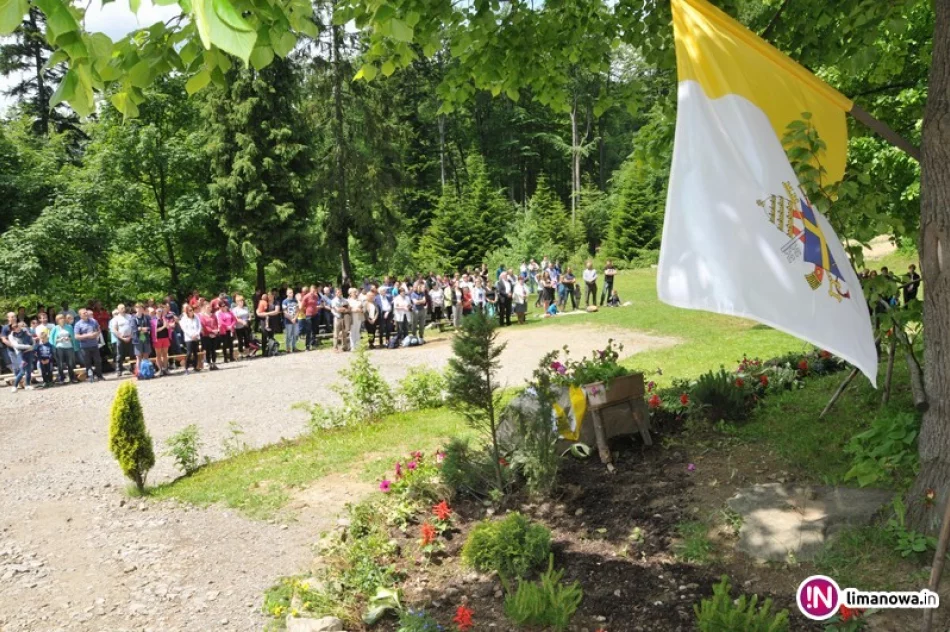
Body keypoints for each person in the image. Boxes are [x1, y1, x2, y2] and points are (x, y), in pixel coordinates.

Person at [74, 309, 104, 382]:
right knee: (88, 362)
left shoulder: (93, 321)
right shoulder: (78, 324)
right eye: (84, 313)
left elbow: (99, 330)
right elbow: (76, 336)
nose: (86, 314)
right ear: (80, 315)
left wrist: (95, 334)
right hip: (85, 346)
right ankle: (90, 377)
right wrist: (87, 336)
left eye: (86, 312)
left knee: (98, 361)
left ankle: (99, 376)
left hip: (94, 344)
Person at [49, 314, 78, 384]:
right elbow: (51, 339)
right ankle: (62, 378)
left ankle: (72, 378)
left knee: (70, 363)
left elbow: (73, 337)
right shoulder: (55, 328)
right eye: (60, 318)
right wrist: (59, 340)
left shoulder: (69, 327)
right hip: (59, 348)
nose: (62, 319)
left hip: (69, 347)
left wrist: (69, 338)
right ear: (57, 320)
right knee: (60, 364)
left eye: (63, 318)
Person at [9, 322, 35, 391]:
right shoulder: (11, 335)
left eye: (16, 326)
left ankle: (27, 385)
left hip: (29, 352)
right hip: (21, 353)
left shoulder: (25, 331)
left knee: (29, 370)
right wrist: (29, 346)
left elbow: (32, 340)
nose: (16, 328)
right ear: (12, 329)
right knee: (22, 371)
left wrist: (32, 347)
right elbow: (17, 346)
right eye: (13, 327)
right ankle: (14, 386)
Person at [111, 304, 135, 377]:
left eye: (124, 308)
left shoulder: (130, 316)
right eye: (121, 308)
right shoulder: (116, 318)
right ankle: (119, 370)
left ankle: (133, 368)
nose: (123, 309)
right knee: (120, 355)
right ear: (118, 310)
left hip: (130, 338)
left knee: (132, 354)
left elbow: (133, 327)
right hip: (121, 338)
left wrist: (130, 336)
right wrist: (122, 337)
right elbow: (114, 329)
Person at [130, 304, 153, 376]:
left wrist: (141, 329)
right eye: (137, 307)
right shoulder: (133, 318)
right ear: (135, 309)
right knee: (138, 357)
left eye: (141, 307)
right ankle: (138, 373)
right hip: (137, 340)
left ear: (143, 309)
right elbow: (134, 329)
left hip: (146, 339)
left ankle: (146, 372)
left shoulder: (147, 317)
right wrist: (143, 329)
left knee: (146, 356)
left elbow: (150, 327)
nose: (139, 309)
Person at [179, 303, 202, 374]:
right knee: (189, 353)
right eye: (189, 310)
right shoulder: (184, 319)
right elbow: (184, 329)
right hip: (189, 338)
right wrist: (191, 335)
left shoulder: (196, 317)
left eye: (192, 310)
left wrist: (197, 334)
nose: (191, 311)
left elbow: (199, 326)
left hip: (196, 336)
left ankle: (195, 367)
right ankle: (186, 368)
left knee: (196, 352)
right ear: (187, 311)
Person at [198, 302, 220, 370]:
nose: (209, 309)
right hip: (206, 335)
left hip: (214, 335)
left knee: (213, 350)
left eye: (210, 307)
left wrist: (215, 331)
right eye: (207, 307)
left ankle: (214, 363)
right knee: (208, 350)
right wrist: (211, 331)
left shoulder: (213, 315)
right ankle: (209, 363)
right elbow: (204, 326)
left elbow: (216, 324)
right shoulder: (202, 316)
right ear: (204, 308)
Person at [151, 305, 172, 375]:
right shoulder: (153, 320)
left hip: (165, 338)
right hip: (157, 339)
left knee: (165, 354)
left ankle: (165, 369)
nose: (160, 312)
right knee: (158, 355)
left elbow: (168, 328)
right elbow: (155, 331)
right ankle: (160, 369)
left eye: (161, 311)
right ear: (156, 312)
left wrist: (168, 326)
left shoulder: (164, 319)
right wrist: (164, 326)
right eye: (159, 311)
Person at [232, 295, 251, 359]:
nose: (242, 302)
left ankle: (247, 352)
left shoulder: (246, 308)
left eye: (242, 300)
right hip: (239, 326)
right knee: (240, 340)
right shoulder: (235, 309)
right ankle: (240, 353)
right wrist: (242, 322)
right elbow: (236, 318)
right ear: (237, 302)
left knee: (247, 339)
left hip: (246, 326)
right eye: (240, 301)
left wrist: (249, 318)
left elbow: (249, 315)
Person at [301, 285, 319, 351]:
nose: (313, 291)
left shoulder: (316, 296)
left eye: (314, 290)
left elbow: (316, 304)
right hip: (308, 314)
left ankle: (313, 344)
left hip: (315, 314)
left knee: (314, 330)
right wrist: (305, 312)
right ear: (310, 290)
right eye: (312, 290)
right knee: (308, 330)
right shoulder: (306, 296)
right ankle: (307, 346)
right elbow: (302, 306)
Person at [282, 288, 300, 353]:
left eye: (292, 292)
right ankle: (288, 348)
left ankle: (294, 347)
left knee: (295, 334)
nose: (291, 294)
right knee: (288, 335)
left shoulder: (295, 301)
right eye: (290, 292)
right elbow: (285, 312)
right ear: (287, 293)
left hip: (295, 320)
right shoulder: (284, 301)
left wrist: (295, 318)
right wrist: (291, 319)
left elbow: (298, 310)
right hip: (288, 321)